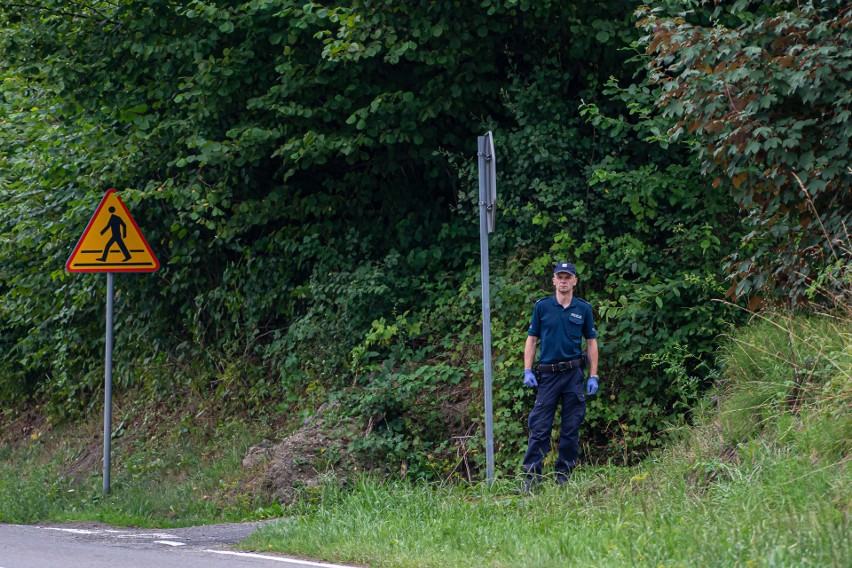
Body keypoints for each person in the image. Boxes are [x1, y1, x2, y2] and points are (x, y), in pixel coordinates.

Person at [521, 261, 599, 489]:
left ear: (574, 281)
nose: (563, 281)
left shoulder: (583, 309)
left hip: (573, 374)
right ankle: (531, 480)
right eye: (560, 277)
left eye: (568, 277)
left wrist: (593, 375)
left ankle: (563, 477)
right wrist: (527, 370)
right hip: (548, 376)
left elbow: (591, 343)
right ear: (553, 281)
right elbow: (532, 339)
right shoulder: (542, 307)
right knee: (540, 427)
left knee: (571, 427)